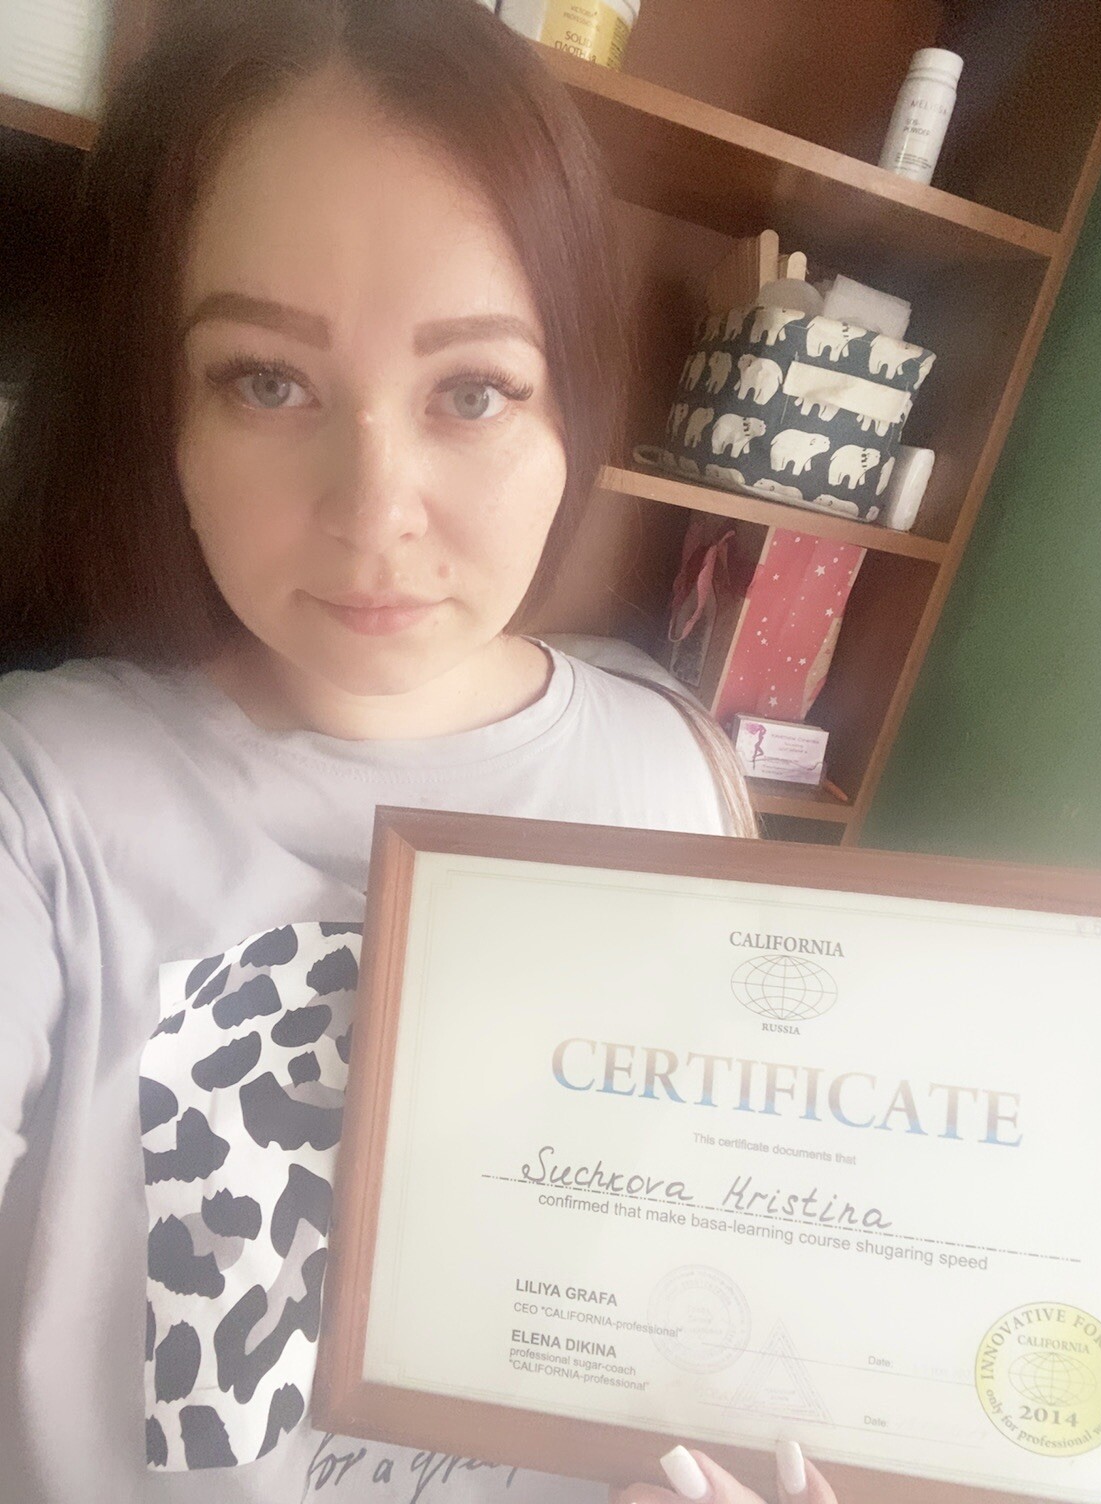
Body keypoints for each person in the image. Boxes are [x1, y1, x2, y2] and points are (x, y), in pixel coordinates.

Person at [0, 2, 838, 1501]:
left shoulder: (670, 773)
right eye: (266, 380)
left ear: (572, 406)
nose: (376, 509)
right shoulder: (42, 802)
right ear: (161, 410)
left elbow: (715, 1277)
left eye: (471, 391)